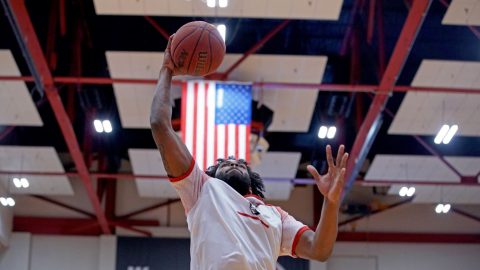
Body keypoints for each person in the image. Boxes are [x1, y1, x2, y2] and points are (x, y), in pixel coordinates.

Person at [150, 36, 349, 270]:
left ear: (252, 181)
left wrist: (331, 202)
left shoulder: (277, 216)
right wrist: (167, 69)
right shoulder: (201, 190)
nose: (233, 162)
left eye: (240, 163)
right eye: (225, 163)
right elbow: (159, 123)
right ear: (213, 175)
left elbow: (320, 249)